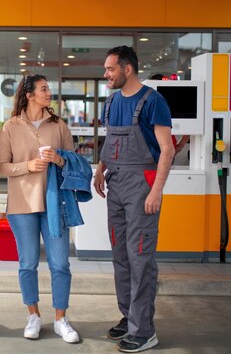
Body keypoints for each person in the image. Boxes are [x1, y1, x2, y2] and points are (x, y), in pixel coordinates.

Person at [94, 46, 174, 353]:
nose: (106, 74)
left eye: (110, 69)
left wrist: (157, 191)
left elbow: (166, 149)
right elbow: (110, 138)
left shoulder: (153, 101)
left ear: (127, 69)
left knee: (140, 257)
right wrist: (100, 168)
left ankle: (144, 331)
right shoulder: (113, 101)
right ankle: (129, 318)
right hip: (115, 182)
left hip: (142, 185)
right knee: (121, 256)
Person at [0, 74, 80, 344]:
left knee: (60, 264)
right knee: (28, 263)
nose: (49, 93)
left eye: (49, 88)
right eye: (44, 89)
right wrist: (27, 167)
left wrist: (58, 158)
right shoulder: (10, 127)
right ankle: (33, 314)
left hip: (55, 204)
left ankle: (60, 319)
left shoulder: (59, 126)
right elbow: (1, 166)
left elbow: (75, 162)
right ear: (29, 94)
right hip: (21, 204)